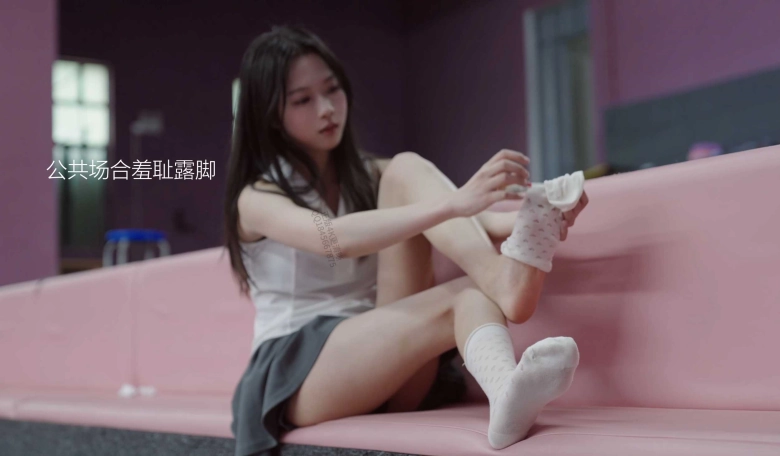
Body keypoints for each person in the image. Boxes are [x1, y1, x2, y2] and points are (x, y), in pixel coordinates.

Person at [224, 25, 589, 456]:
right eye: (303, 100)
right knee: (460, 290)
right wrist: (451, 204)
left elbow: (477, 219)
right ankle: (502, 285)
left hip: (387, 356)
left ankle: (506, 395)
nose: (327, 109)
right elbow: (332, 238)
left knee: (408, 172)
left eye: (332, 89)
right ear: (271, 115)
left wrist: (540, 214)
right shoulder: (256, 198)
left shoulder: (368, 174)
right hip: (303, 371)